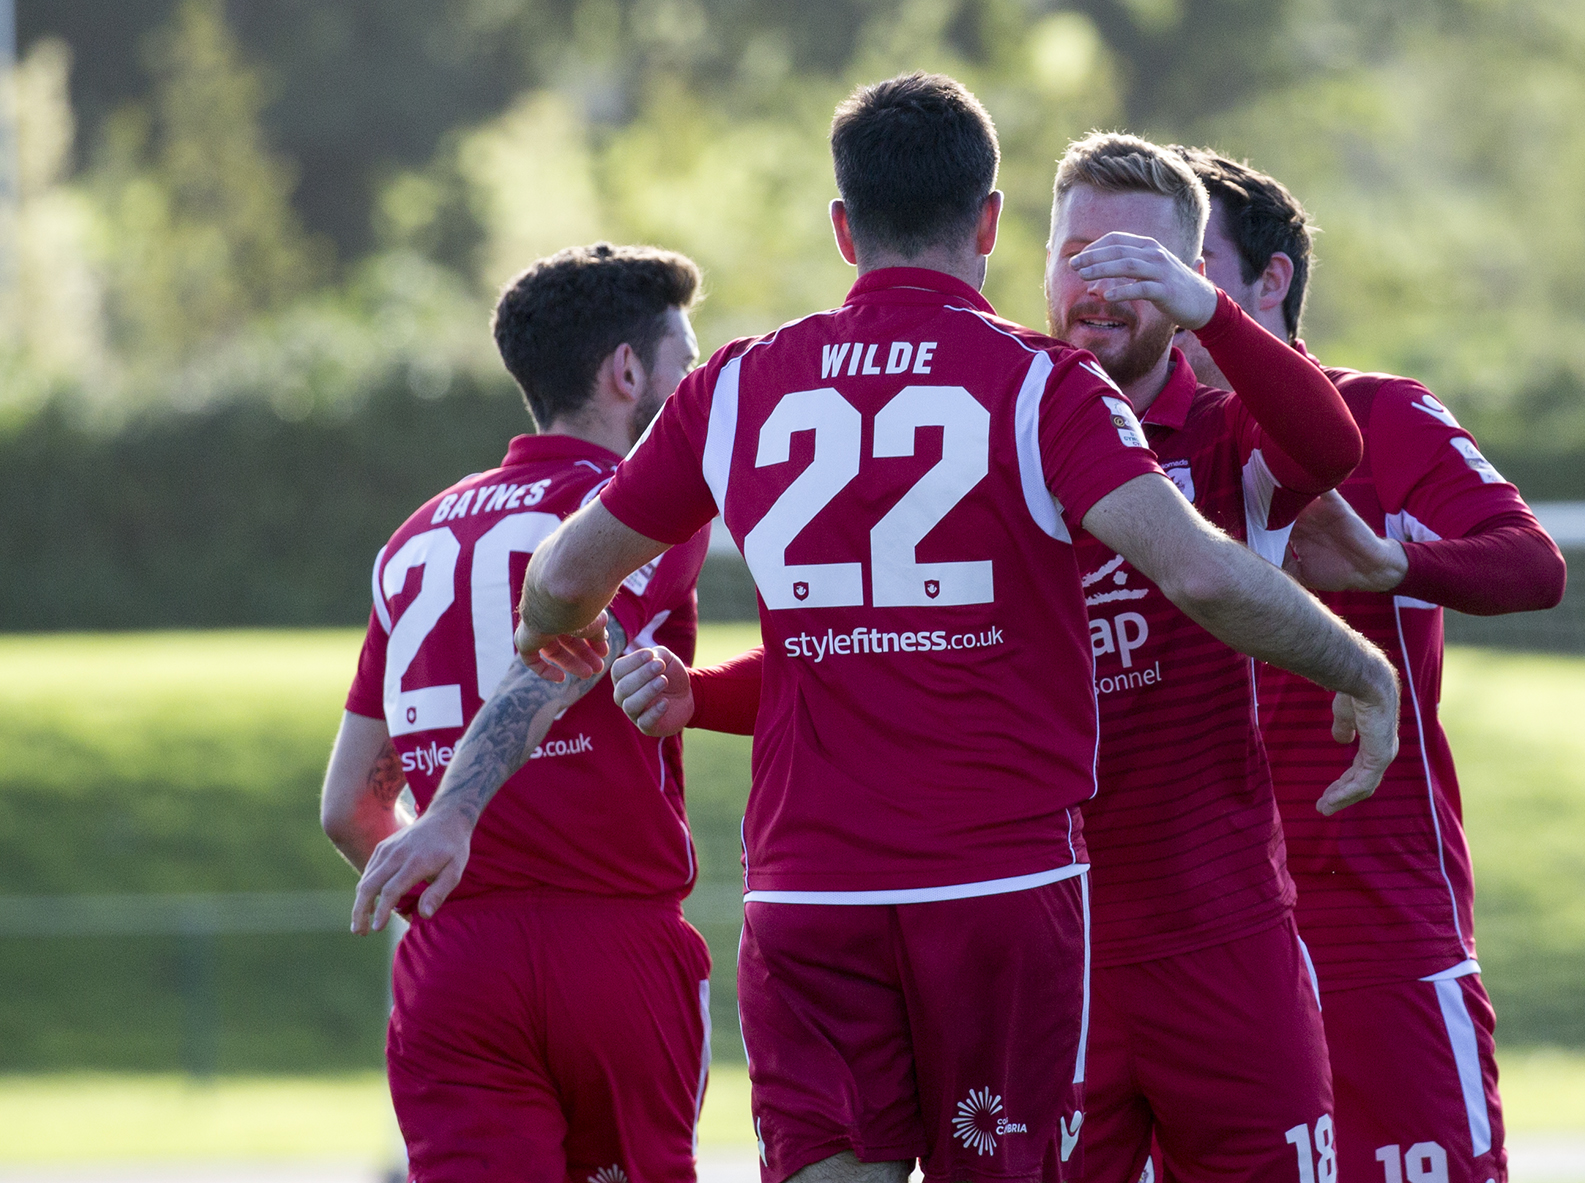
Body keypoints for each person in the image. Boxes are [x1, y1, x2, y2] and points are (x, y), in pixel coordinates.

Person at [510, 73, 1400, 1183]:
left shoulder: (736, 385)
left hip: (810, 894)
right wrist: (1357, 659)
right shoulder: (1038, 387)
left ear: (843, 228)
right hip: (998, 895)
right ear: (992, 224)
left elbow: (560, 578)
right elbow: (1200, 573)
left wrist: (559, 625)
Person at [1173, 146, 1567, 1183]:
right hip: (1190, 933)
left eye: (1191, 257)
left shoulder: (1380, 414)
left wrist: (1395, 561)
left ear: (1271, 280)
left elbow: (1533, 564)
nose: (1161, 283)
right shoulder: (1112, 439)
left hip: (1374, 920)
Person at [323, 242, 713, 1183]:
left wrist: (439, 865)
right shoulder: (638, 504)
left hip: (454, 959)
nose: (695, 389)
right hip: (609, 946)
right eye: (686, 365)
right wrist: (455, 815)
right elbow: (562, 654)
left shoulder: (414, 538)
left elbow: (347, 807)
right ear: (628, 370)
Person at [1040, 131, 1360, 1183]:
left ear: (1179, 281)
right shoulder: (1003, 431)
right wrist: (701, 695)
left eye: (1134, 262)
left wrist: (1214, 311)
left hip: (1225, 935)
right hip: (1049, 933)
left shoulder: (1225, 436)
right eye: (1078, 253)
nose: (1099, 283)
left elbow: (1332, 446)